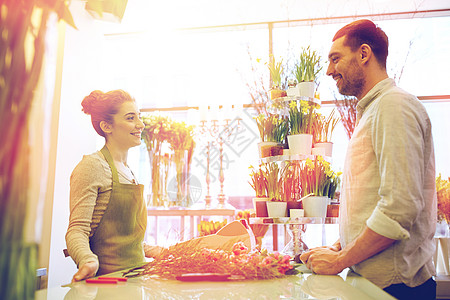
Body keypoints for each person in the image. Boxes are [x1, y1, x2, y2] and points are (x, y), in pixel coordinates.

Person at [300, 19, 437, 299]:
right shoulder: (373, 110)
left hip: (397, 289)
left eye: (335, 59)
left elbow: (398, 209)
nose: (328, 71)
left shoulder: (393, 106)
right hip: (374, 285)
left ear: (364, 54)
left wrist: (339, 261)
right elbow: (371, 206)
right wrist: (339, 247)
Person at [65, 90, 161, 282]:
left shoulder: (128, 171)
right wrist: (87, 260)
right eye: (130, 118)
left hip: (135, 282)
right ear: (106, 126)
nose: (140, 124)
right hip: (108, 285)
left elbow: (125, 241)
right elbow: (77, 230)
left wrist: (158, 251)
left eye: (139, 117)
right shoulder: (92, 167)